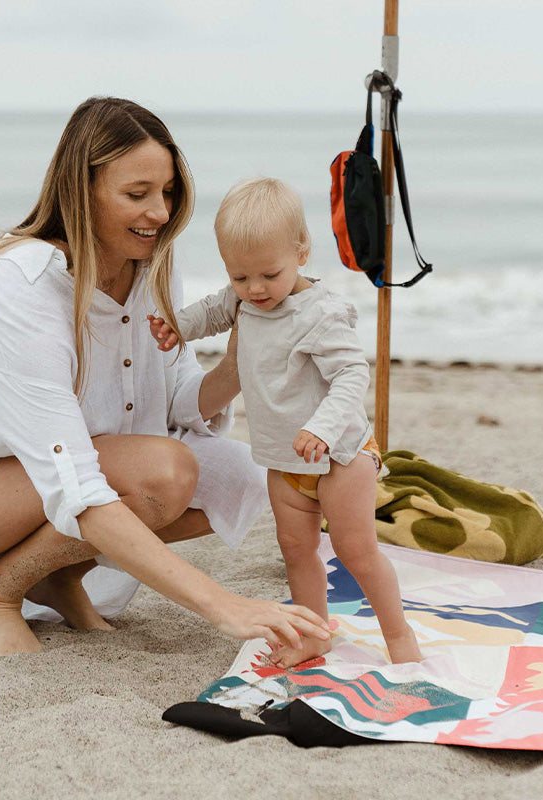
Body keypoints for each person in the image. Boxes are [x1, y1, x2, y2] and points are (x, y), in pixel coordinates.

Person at [0, 98, 331, 659]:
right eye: (137, 193)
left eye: (168, 192)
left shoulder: (146, 270)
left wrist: (241, 359)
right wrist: (225, 606)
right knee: (163, 473)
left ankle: (55, 575)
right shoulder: (22, 288)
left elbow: (178, 405)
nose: (160, 212)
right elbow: (74, 482)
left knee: (239, 475)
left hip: (59, 473)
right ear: (83, 189)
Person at [149, 177, 421, 667]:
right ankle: (314, 635)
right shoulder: (242, 299)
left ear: (301, 251)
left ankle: (399, 636)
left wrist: (322, 427)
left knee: (356, 553)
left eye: (269, 275)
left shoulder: (320, 314)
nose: (254, 290)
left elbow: (352, 374)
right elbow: (211, 312)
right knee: (295, 551)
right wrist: (177, 325)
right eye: (240, 277)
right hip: (283, 460)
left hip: (339, 457)